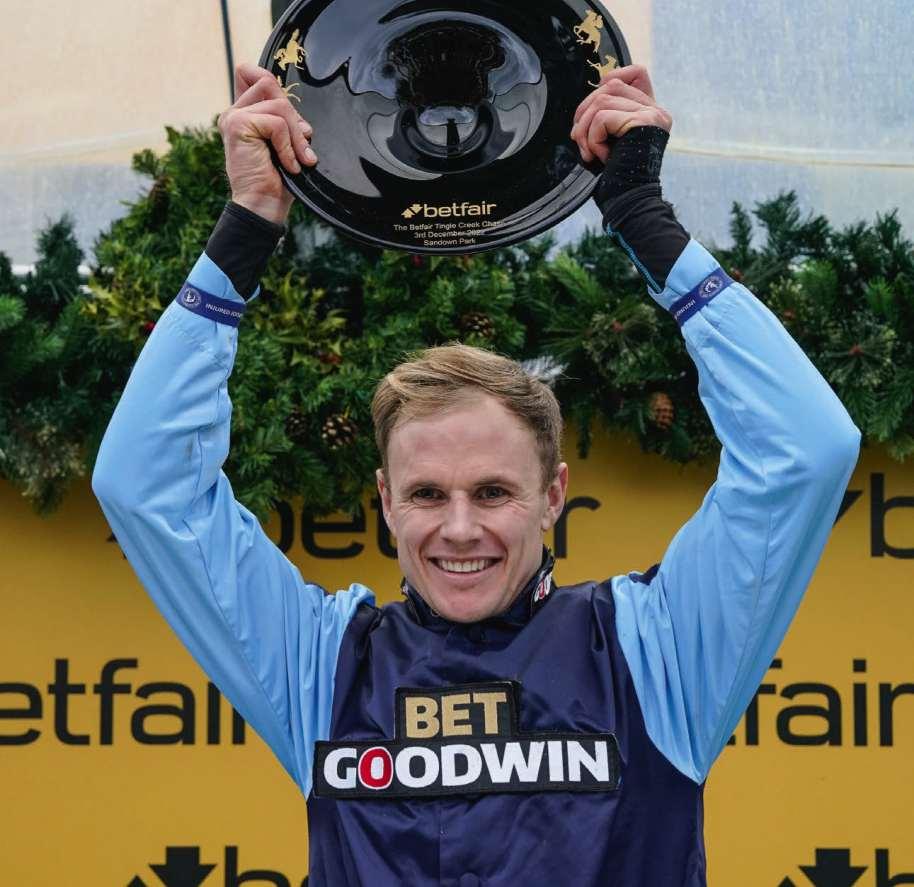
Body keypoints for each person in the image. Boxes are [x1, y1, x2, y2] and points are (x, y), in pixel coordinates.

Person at [92, 61, 861, 886]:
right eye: (427, 494)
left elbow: (804, 449)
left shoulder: (656, 649)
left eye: (493, 491)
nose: (460, 528)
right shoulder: (323, 664)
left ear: (553, 495)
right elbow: (146, 485)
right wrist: (247, 225)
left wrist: (643, 217)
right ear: (386, 502)